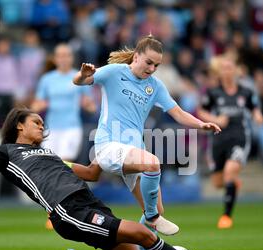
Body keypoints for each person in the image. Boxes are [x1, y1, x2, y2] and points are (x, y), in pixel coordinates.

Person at [0, 107, 236, 250]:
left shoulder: (49, 153)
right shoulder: (6, 154)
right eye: (36, 122)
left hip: (89, 203)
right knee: (144, 235)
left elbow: (91, 173)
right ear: (19, 125)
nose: (42, 126)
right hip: (68, 212)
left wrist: (108, 147)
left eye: (43, 124)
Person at [72, 35, 221, 239]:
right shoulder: (115, 72)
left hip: (133, 151)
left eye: (156, 65)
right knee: (152, 164)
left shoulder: (155, 86)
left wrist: (201, 124)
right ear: (136, 57)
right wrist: (82, 75)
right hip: (108, 146)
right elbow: (80, 81)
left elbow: (177, 112)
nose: (152, 69)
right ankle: (152, 217)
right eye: (149, 62)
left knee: (158, 208)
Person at [32, 43, 96, 230]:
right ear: (55, 58)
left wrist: (89, 106)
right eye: (60, 55)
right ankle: (54, 213)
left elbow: (90, 105)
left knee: (62, 166)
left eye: (67, 55)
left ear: (71, 57)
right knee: (49, 169)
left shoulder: (79, 76)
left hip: (71, 128)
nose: (63, 58)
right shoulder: (47, 79)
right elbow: (37, 104)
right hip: (52, 130)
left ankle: (63, 211)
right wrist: (37, 107)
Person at [197, 55, 263, 229]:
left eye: (230, 67)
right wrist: (216, 119)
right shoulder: (213, 92)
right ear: (219, 72)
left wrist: (257, 116)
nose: (227, 71)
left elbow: (254, 108)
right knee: (218, 183)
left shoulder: (246, 92)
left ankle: (226, 216)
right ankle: (233, 183)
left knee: (229, 171)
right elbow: (201, 112)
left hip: (239, 138)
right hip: (218, 140)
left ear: (235, 70)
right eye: (224, 68)